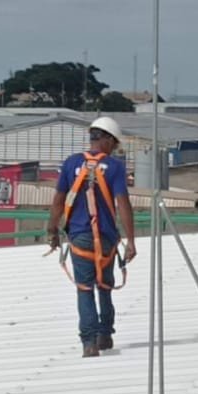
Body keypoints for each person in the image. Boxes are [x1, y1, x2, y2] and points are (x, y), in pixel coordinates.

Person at [47, 115, 137, 357]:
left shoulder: (71, 163)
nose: (114, 149)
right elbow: (123, 204)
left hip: (80, 237)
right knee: (105, 286)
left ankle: (89, 343)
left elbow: (58, 201)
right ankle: (104, 335)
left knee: (84, 288)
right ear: (108, 140)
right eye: (114, 144)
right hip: (106, 237)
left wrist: (52, 231)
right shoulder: (115, 167)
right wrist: (131, 241)